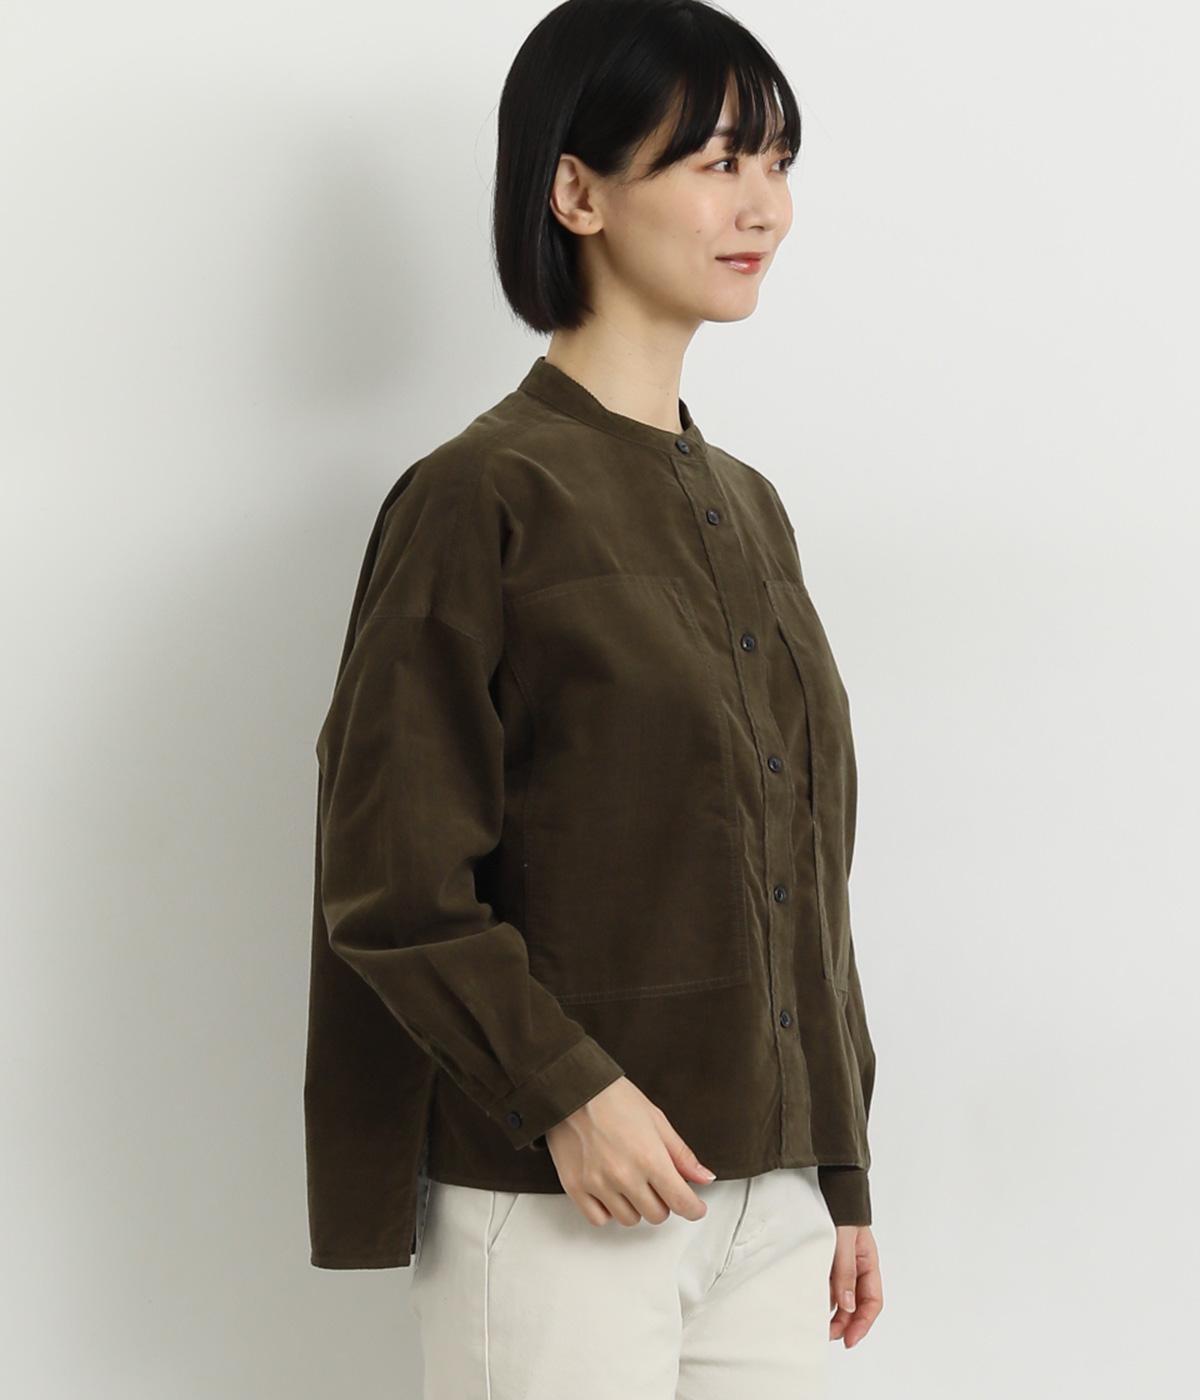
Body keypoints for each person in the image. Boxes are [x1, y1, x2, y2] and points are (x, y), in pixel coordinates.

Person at [303, 1, 883, 1394]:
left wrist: (838, 1168)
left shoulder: (751, 507)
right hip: (564, 1195)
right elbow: (391, 878)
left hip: (773, 1203)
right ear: (576, 191)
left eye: (779, 163)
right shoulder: (478, 495)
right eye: (719, 160)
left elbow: (802, 865)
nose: (766, 206)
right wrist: (567, 1090)